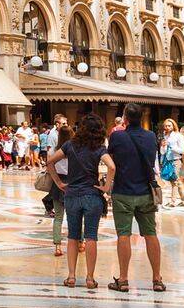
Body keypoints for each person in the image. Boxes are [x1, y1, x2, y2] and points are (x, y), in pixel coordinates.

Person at [106, 106, 164, 292]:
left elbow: (112, 159)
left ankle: (123, 280)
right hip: (146, 192)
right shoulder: (150, 136)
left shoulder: (117, 136)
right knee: (150, 233)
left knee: (124, 235)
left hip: (123, 191)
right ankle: (157, 279)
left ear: (125, 118)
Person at [53, 115, 109, 288]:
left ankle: (71, 277)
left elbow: (50, 161)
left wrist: (59, 183)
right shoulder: (99, 148)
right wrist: (106, 187)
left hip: (72, 195)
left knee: (72, 236)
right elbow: (112, 166)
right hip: (92, 195)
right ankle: (90, 278)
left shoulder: (70, 145)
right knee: (91, 237)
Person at [158, 119, 184, 208]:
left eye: (169, 125)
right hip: (167, 160)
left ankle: (173, 201)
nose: (167, 127)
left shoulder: (178, 136)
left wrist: (171, 146)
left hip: (175, 160)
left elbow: (182, 150)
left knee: (175, 181)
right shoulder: (165, 135)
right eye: (166, 126)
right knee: (175, 181)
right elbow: (162, 151)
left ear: (173, 126)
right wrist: (163, 146)